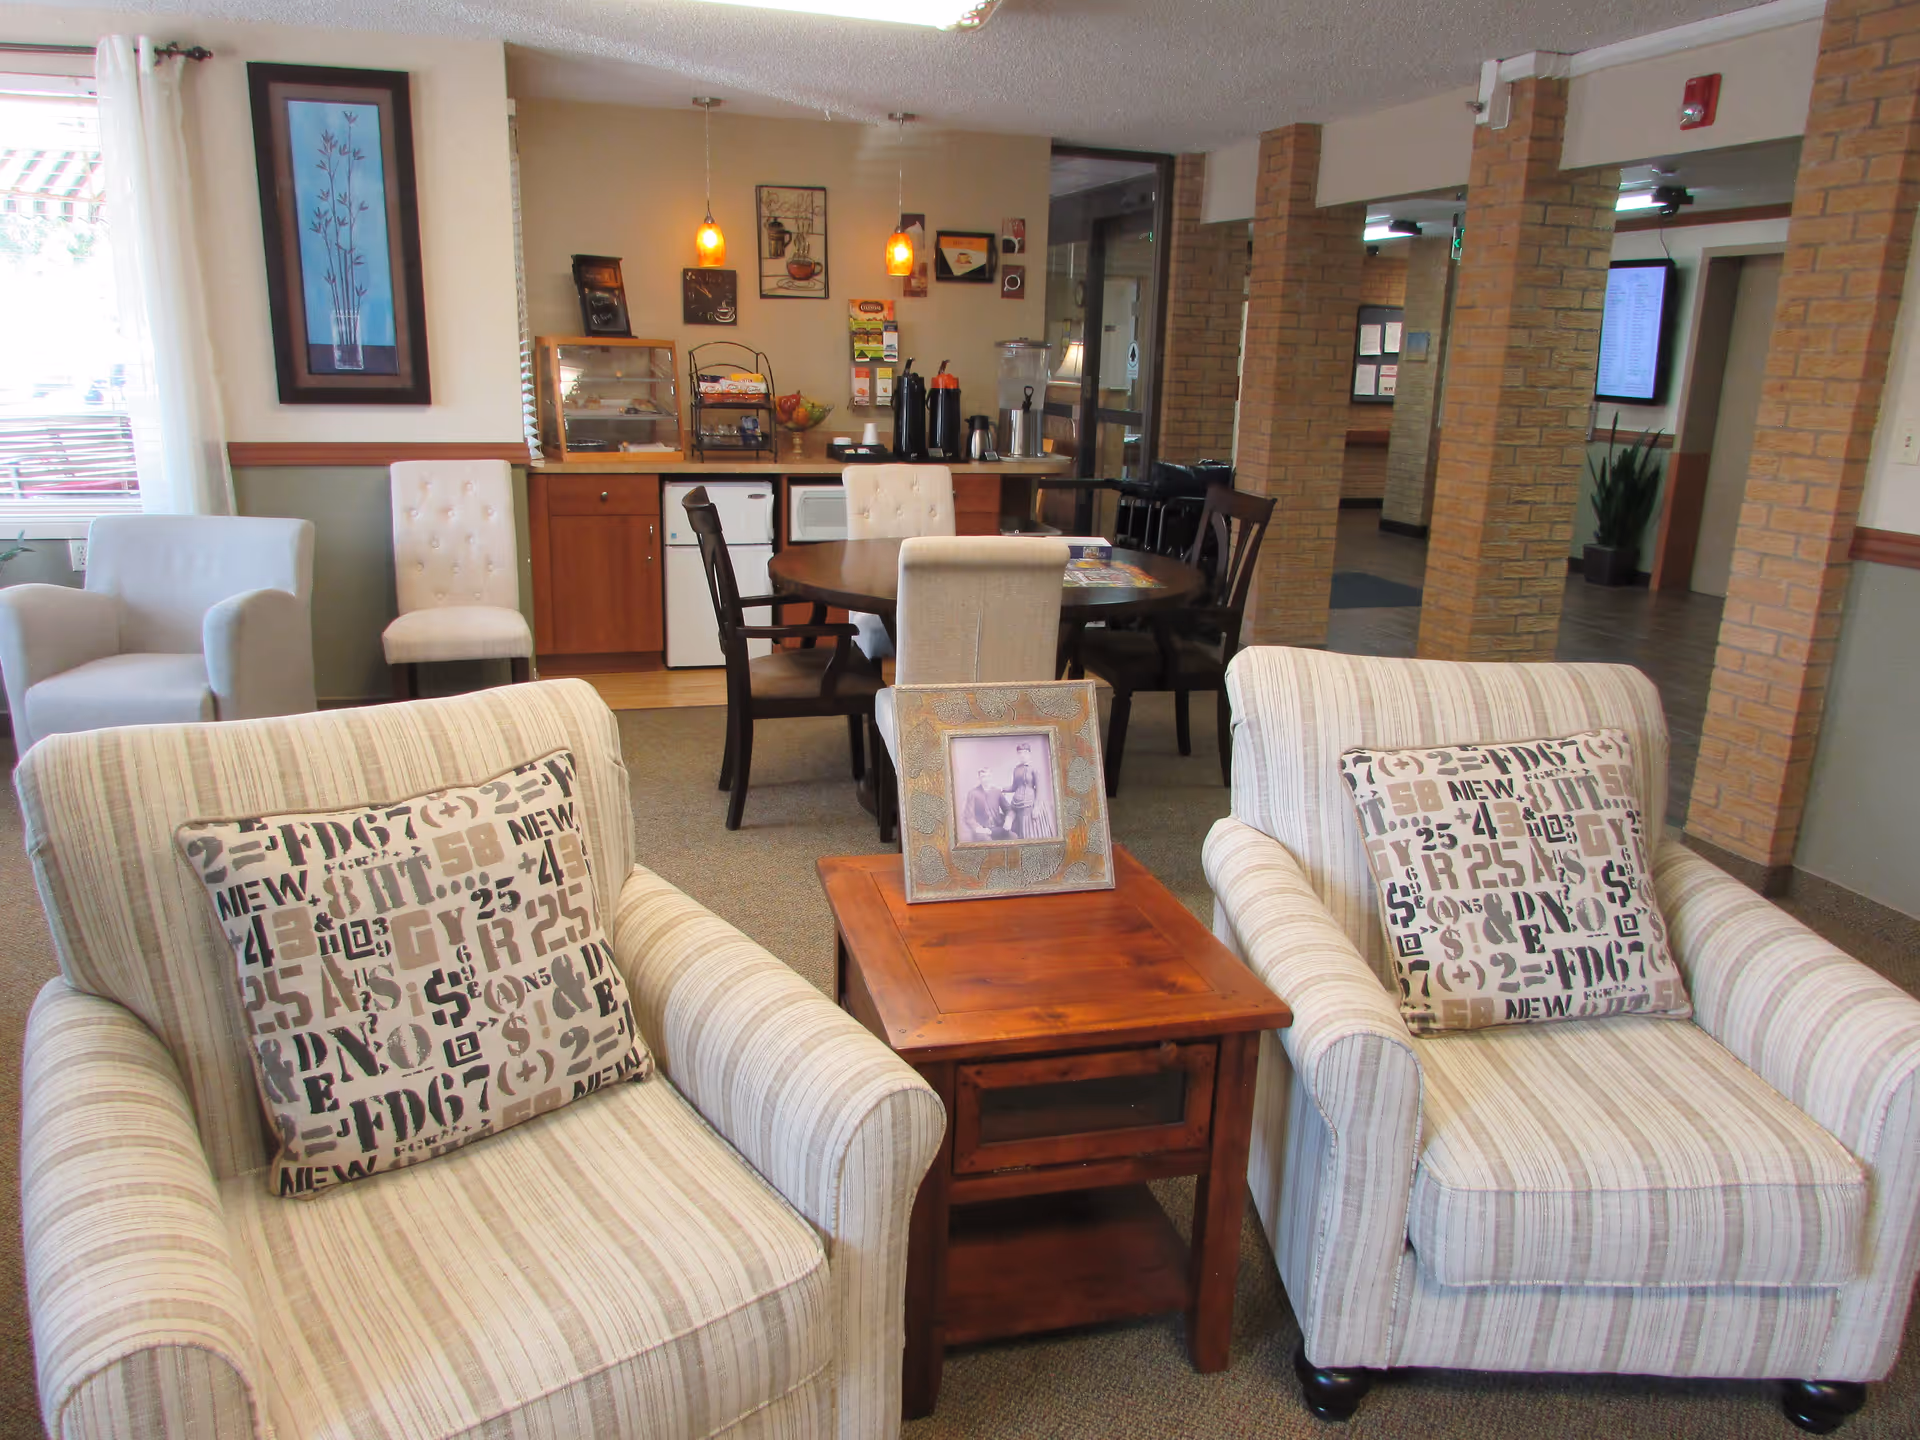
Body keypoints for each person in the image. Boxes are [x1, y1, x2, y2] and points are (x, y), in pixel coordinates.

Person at [1006, 742, 1055, 840]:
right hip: (1018, 804)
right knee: (1022, 833)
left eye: (1024, 752)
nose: (1022, 755)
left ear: (1029, 753)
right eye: (1019, 753)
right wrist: (1002, 789)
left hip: (1031, 804)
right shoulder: (1016, 769)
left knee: (1033, 833)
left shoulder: (1035, 768)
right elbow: (1014, 787)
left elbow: (1040, 789)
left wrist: (1036, 807)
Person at [961, 768, 1005, 843]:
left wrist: (1009, 819)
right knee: (988, 842)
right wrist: (979, 829)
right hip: (982, 830)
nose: (986, 779)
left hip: (996, 828)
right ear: (979, 778)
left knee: (1013, 838)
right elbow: (968, 816)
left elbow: (1008, 809)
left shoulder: (997, 791)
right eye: (983, 777)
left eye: (988, 776)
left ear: (991, 777)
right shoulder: (973, 793)